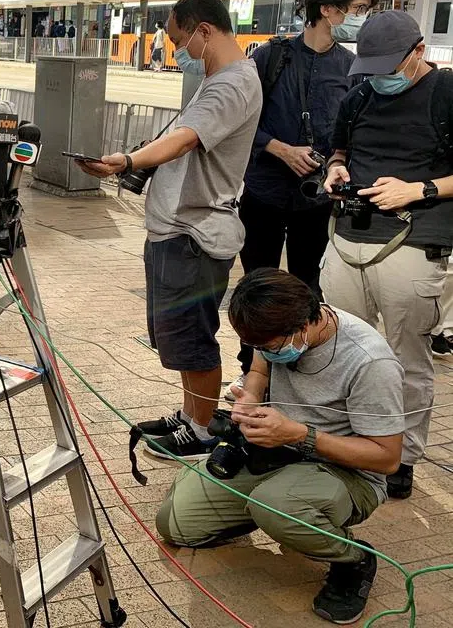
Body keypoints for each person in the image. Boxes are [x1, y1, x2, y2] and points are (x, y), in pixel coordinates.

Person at [156, 268, 404, 625]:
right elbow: (260, 368)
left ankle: (353, 558)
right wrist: (251, 396)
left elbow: (387, 459)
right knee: (177, 524)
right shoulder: (280, 328)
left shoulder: (370, 362)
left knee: (275, 505)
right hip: (277, 451)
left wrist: (299, 435)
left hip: (349, 473)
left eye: (271, 347)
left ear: (304, 326)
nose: (266, 353)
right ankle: (271, 513)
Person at [77, 0, 262, 460]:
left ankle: (200, 432)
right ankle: (191, 415)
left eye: (179, 40)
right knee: (177, 338)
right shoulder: (221, 78)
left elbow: (182, 141)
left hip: (194, 236)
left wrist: (126, 161)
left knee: (192, 339)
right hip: (179, 232)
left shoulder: (231, 84)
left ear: (204, 31)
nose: (177, 52)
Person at [321, 10, 453, 500]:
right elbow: (339, 148)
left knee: (405, 359)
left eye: (389, 69)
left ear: (419, 52)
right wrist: (336, 170)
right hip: (347, 239)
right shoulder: (361, 91)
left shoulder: (446, 92)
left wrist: (417, 190)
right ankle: (348, 445)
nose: (381, 79)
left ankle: (403, 456)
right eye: (371, 68)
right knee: (339, 349)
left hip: (414, 243)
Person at [234, 0, 380, 386]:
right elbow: (241, 121)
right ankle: (252, 373)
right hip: (263, 192)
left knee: (306, 288)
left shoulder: (353, 68)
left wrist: (335, 162)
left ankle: (302, 375)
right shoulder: (271, 56)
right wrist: (278, 147)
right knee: (257, 285)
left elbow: (350, 135)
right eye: (357, 9)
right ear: (327, 8)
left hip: (315, 202)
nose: (361, 18)